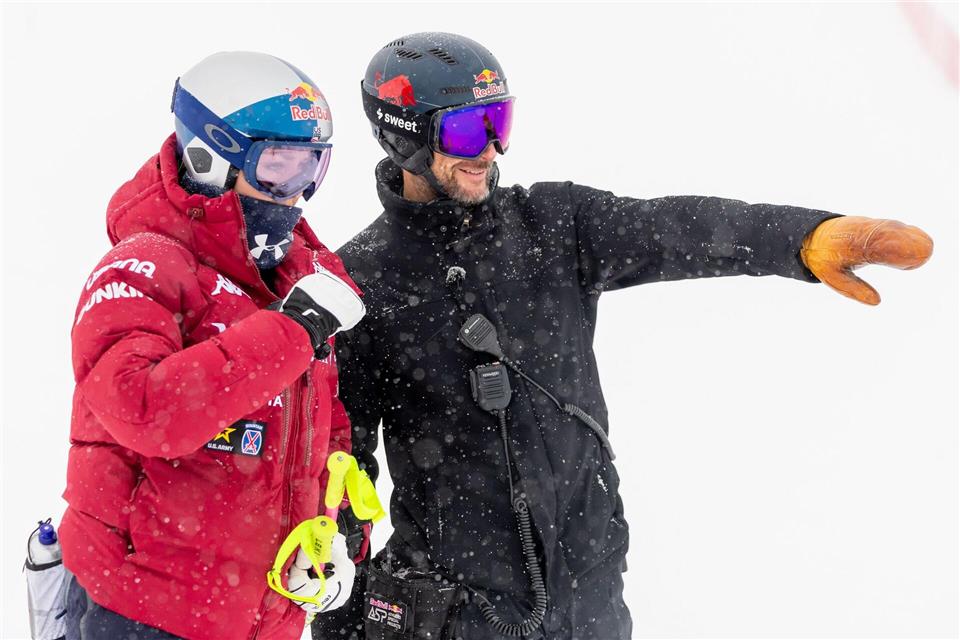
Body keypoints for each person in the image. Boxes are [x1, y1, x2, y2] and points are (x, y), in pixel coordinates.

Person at [312, 32, 934, 640]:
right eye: (469, 130)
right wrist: (341, 609)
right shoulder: (362, 284)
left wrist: (801, 239)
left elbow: (673, 227)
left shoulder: (552, 225)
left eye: (500, 120)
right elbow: (339, 471)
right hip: (460, 612)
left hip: (589, 594)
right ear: (403, 136)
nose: (492, 149)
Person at [61, 51, 368, 639]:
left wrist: (338, 520)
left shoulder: (291, 274)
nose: (295, 193)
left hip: (260, 617)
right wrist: (292, 331)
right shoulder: (141, 269)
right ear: (210, 155)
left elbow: (318, 425)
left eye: (312, 168)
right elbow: (144, 410)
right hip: (143, 614)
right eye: (278, 165)